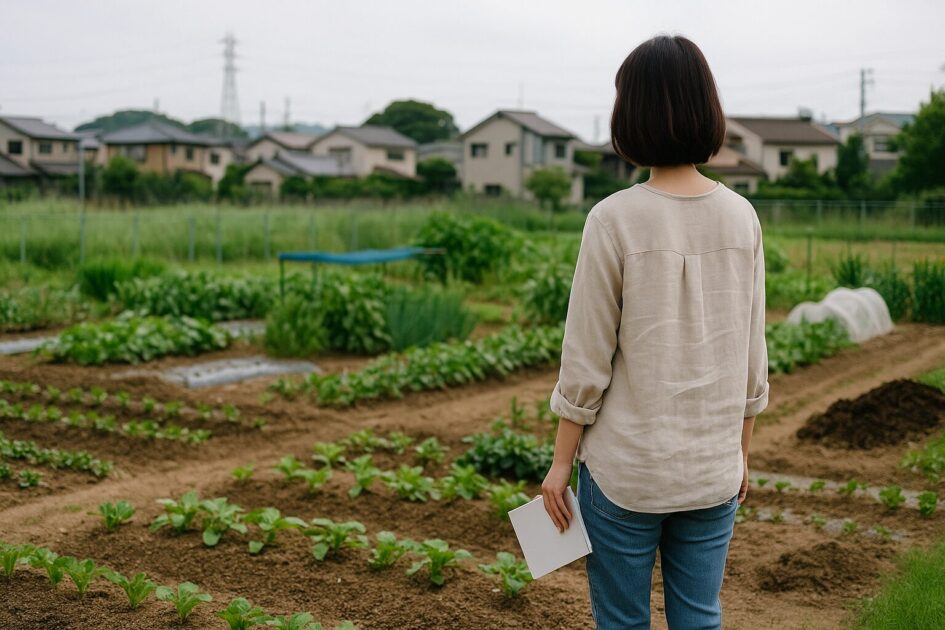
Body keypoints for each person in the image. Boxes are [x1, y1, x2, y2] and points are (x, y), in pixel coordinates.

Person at [541, 34, 769, 630]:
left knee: (622, 622)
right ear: (706, 108)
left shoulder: (613, 218)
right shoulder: (741, 216)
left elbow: (585, 358)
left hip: (625, 474)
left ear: (629, 114)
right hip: (713, 470)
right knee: (699, 618)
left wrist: (561, 464)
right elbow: (751, 355)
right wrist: (740, 454)